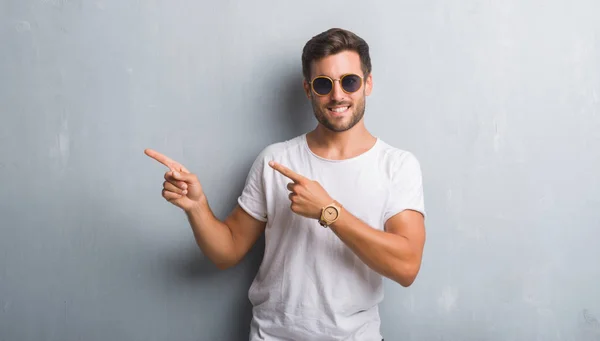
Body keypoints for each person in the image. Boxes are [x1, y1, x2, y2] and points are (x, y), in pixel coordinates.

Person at [145, 28, 426, 341]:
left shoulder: (397, 166)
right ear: (308, 90)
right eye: (323, 84)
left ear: (367, 83)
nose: (337, 95)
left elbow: (407, 266)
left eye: (349, 81)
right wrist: (197, 207)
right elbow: (227, 251)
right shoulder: (275, 161)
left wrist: (329, 211)